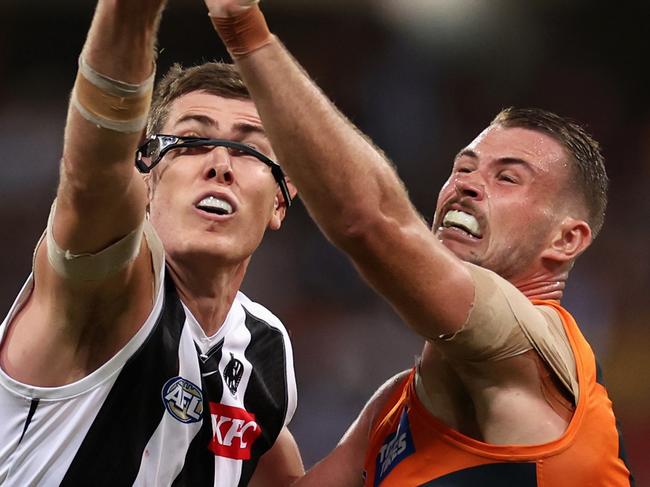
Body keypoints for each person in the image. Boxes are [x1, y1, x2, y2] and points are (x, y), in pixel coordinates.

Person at [203, 1, 634, 485]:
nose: (467, 184)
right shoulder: (393, 407)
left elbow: (368, 223)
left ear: (566, 238)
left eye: (508, 177)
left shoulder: (532, 344)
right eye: (463, 167)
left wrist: (245, 32)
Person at [0, 1, 303, 486]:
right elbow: (92, 174)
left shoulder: (265, 351)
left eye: (248, 148)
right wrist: (131, 11)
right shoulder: (105, 286)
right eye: (191, 142)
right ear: (147, 178)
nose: (220, 164)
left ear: (281, 201)